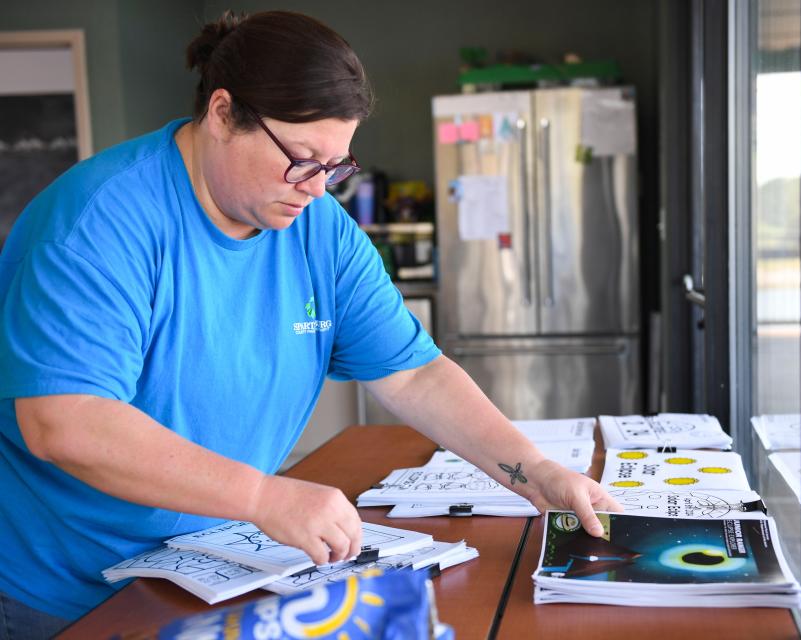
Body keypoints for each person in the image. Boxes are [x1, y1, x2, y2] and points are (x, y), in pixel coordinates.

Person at [0, 10, 622, 637]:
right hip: (67, 589)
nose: (319, 189)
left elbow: (415, 376)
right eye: (302, 159)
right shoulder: (101, 225)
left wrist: (535, 474)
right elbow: (66, 422)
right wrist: (263, 498)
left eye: (336, 166)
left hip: (208, 568)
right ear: (222, 114)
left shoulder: (316, 228)